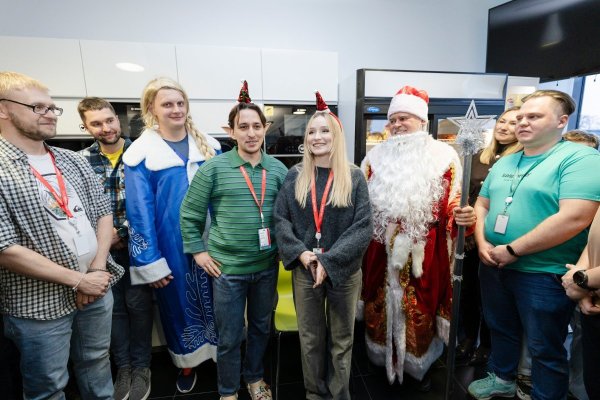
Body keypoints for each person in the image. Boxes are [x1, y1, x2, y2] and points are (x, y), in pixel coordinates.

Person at [467, 90, 600, 400]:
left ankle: (546, 395)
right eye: (521, 117)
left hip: (543, 272)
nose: (522, 123)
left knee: (544, 346)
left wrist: (513, 250)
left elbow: (575, 217)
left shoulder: (581, 159)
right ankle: (502, 378)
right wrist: (483, 242)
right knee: (500, 327)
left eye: (534, 116)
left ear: (561, 121)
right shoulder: (507, 160)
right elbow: (482, 205)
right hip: (493, 264)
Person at [0, 71, 124, 399]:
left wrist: (96, 270)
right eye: (38, 107)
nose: (50, 114)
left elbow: (103, 214)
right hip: (38, 301)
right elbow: (4, 248)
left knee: (97, 363)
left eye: (52, 107)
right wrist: (78, 280)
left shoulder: (71, 160)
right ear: (3, 109)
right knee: (49, 386)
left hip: (96, 286)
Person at [359, 85, 475, 388]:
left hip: (425, 250)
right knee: (377, 303)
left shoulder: (444, 157)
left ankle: (417, 367)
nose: (397, 125)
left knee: (421, 307)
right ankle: (380, 358)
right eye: (392, 119)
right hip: (378, 249)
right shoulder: (373, 158)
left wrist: (463, 216)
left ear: (422, 121)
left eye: (404, 118)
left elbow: (453, 200)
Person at [180, 81, 288, 400]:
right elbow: (189, 214)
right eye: (243, 127)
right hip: (227, 270)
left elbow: (288, 216)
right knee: (229, 335)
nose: (251, 133)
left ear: (265, 129)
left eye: (256, 126)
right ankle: (228, 390)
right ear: (232, 132)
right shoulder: (213, 169)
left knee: (261, 328)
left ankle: (254, 378)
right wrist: (198, 252)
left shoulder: (278, 169)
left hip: (266, 267)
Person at [123, 77, 221, 393]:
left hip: (214, 243)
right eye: (167, 104)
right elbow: (139, 212)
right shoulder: (140, 154)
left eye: (180, 103)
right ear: (152, 108)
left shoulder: (211, 146)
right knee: (178, 305)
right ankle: (187, 363)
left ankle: (223, 357)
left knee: (219, 302)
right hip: (170, 248)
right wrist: (150, 262)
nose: (176, 109)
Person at [273, 92, 373, 400]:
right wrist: (304, 255)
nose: (317, 137)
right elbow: (280, 221)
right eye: (312, 132)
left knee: (342, 340)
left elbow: (363, 228)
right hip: (305, 270)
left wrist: (329, 263)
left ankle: (339, 394)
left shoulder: (354, 177)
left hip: (344, 272)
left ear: (336, 135)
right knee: (311, 339)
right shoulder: (295, 176)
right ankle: (314, 393)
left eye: (324, 130)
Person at [79, 97, 153, 400]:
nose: (106, 128)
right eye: (96, 123)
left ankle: (142, 368)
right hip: (101, 254)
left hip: (138, 249)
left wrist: (119, 233)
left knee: (140, 308)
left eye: (109, 120)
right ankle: (123, 368)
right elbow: (79, 207)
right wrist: (104, 239)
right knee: (114, 311)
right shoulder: (80, 161)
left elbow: (151, 203)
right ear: (85, 127)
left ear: (117, 119)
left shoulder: (142, 153)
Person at [456, 107, 522, 366]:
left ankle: (487, 344)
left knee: (493, 297)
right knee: (468, 290)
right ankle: (468, 338)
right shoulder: (478, 156)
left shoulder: (521, 159)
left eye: (512, 123)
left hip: (502, 237)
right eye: (502, 121)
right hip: (471, 235)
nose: (504, 127)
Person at [562, 211, 600, 399]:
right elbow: (594, 240)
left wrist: (582, 280)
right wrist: (582, 277)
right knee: (593, 382)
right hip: (593, 303)